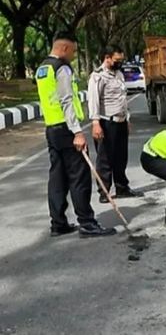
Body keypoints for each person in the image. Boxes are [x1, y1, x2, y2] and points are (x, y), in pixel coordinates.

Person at [35, 33, 116, 238]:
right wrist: (78, 132)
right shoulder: (62, 68)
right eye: (73, 50)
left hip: (51, 129)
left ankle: (58, 223)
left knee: (58, 178)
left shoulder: (42, 68)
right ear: (64, 48)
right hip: (66, 129)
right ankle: (87, 223)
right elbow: (66, 101)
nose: (73, 55)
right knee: (79, 177)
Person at [88, 45, 142, 203]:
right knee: (105, 159)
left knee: (121, 157)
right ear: (107, 58)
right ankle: (104, 192)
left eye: (121, 60)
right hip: (106, 123)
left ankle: (122, 187)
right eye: (117, 60)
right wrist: (95, 123)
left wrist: (127, 119)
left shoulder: (118, 74)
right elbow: (94, 101)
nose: (120, 63)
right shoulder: (97, 76)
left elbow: (123, 99)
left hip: (120, 121)